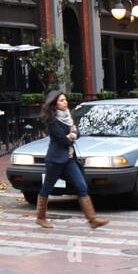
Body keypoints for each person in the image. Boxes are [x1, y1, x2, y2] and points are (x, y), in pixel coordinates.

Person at [35, 91, 109, 230]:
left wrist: (73, 134)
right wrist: (72, 134)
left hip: (69, 159)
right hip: (55, 160)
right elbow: (62, 140)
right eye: (62, 100)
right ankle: (40, 217)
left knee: (81, 186)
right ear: (55, 104)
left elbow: (77, 132)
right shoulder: (52, 121)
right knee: (48, 187)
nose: (65, 102)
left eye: (65, 99)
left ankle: (92, 219)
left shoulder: (67, 116)